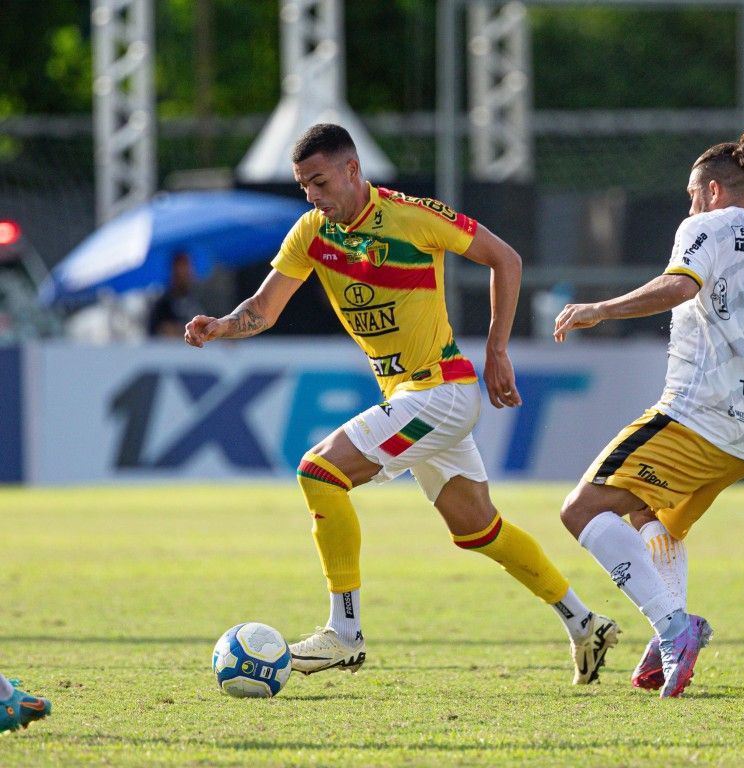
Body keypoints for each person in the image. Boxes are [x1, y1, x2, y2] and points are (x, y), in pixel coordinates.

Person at [185, 123, 620, 685]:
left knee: (319, 472)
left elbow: (505, 259)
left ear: (352, 170)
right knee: (477, 529)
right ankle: (584, 621)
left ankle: (344, 633)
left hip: (440, 389)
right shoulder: (311, 232)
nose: (313, 196)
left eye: (319, 182)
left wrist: (496, 351)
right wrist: (221, 326)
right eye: (303, 186)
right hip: (412, 397)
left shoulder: (414, 217)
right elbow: (265, 309)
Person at [553, 131, 744, 698]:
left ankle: (673, 628)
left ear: (712, 191)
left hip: (695, 415)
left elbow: (677, 287)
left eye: (692, 195)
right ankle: (665, 645)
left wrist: (599, 308)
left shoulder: (704, 227)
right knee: (654, 522)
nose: (688, 207)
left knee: (581, 510)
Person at [148, 251, 206, 337]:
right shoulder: (162, 304)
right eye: (181, 269)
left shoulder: (199, 300)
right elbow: (159, 330)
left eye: (188, 269)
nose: (185, 274)